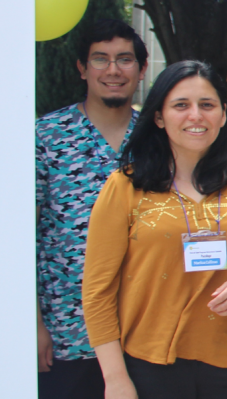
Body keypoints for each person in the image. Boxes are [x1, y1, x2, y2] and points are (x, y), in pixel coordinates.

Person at [82, 60, 227, 399]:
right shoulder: (124, 186)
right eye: (181, 105)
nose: (196, 116)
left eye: (207, 105)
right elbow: (97, 291)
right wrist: (115, 378)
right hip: (149, 363)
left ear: (223, 115)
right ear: (159, 117)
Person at [35, 18, 148, 399]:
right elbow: (20, 239)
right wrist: (32, 326)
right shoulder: (45, 137)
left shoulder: (159, 138)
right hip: (68, 330)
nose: (113, 70)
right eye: (100, 59)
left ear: (142, 69)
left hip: (144, 331)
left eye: (124, 59)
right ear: (82, 69)